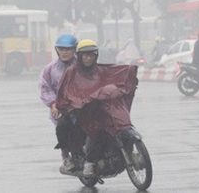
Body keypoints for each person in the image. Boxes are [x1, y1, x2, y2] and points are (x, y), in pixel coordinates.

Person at [56, 39, 138, 177]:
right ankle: (87, 161)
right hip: (80, 111)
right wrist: (77, 102)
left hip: (99, 109)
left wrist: (130, 74)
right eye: (85, 55)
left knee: (104, 125)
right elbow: (64, 92)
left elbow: (117, 73)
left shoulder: (101, 69)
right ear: (79, 56)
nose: (88, 58)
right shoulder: (71, 72)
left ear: (96, 56)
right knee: (69, 125)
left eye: (91, 55)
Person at [38, 34, 81, 173]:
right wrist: (53, 103)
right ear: (57, 50)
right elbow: (44, 88)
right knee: (62, 127)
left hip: (82, 105)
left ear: (74, 50)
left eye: (68, 49)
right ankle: (65, 156)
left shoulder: (82, 65)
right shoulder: (50, 69)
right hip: (62, 107)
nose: (65, 52)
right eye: (61, 49)